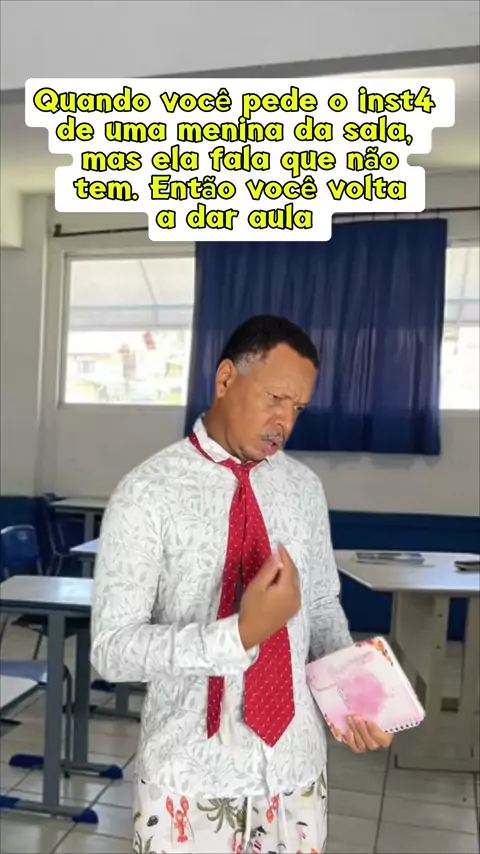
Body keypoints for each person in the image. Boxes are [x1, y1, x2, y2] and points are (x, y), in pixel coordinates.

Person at [91, 315, 393, 854]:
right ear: (226, 379)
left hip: (295, 772)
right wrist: (238, 635)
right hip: (190, 777)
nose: (285, 422)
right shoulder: (146, 493)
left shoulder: (303, 489)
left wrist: (355, 694)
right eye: (275, 398)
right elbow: (112, 651)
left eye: (298, 408)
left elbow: (321, 606)